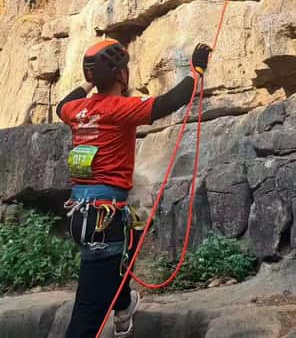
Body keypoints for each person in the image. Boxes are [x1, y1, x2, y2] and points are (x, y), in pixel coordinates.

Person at [57, 37, 212, 338]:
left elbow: (62, 104)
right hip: (104, 219)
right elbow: (168, 102)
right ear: (120, 74)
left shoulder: (76, 110)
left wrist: (89, 83)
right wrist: (197, 71)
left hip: (84, 216)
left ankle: (124, 305)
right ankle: (120, 306)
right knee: (86, 319)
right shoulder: (119, 109)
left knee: (129, 242)